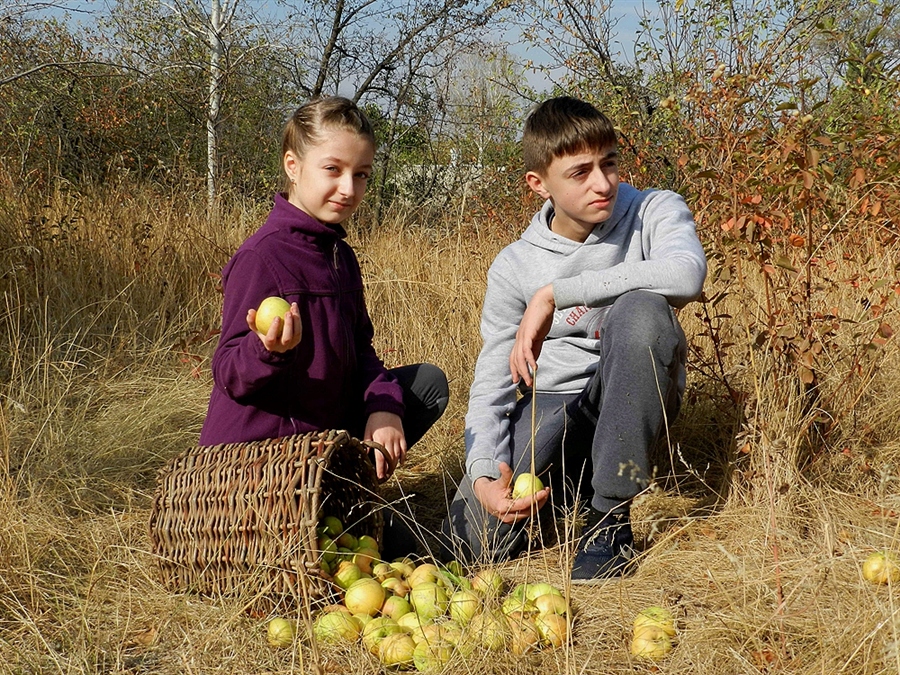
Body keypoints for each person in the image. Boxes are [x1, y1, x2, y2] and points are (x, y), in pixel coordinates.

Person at [439, 96, 707, 584]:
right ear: (539, 184)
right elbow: (492, 381)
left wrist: (556, 294)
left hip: (632, 394)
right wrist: (482, 473)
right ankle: (568, 487)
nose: (603, 183)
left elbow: (686, 275)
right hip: (556, 403)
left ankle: (608, 519)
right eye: (580, 172)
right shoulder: (514, 265)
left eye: (609, 163)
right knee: (474, 543)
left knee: (643, 309)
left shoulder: (653, 209)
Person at [199, 96, 449, 555]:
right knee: (408, 549)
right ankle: (317, 513)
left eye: (362, 174)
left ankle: (343, 496)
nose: (349, 188)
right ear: (293, 166)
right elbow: (228, 373)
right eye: (333, 170)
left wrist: (384, 407)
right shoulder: (263, 257)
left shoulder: (339, 256)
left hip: (323, 444)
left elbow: (363, 351)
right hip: (263, 462)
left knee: (427, 383)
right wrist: (268, 352)